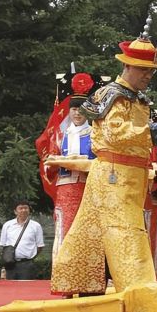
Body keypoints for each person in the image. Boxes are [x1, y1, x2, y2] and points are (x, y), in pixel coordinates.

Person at [50, 22, 157, 297]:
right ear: (128, 67)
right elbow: (117, 133)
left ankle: (82, 284)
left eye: (151, 71)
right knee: (126, 233)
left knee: (93, 228)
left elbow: (154, 130)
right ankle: (141, 295)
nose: (148, 75)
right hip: (114, 173)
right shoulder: (113, 95)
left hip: (128, 175)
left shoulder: (138, 99)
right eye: (144, 70)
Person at [50, 73, 96, 260]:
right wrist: (53, 164)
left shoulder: (95, 134)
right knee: (66, 229)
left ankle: (89, 277)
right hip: (66, 189)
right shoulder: (60, 136)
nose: (77, 113)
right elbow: (50, 163)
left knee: (88, 232)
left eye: (81, 110)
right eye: (74, 109)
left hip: (89, 188)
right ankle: (64, 274)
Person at [0, 200, 45, 280]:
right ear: (15, 211)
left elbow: (40, 246)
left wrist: (30, 256)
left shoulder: (36, 226)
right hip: (10, 264)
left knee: (26, 289)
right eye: (20, 208)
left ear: (29, 210)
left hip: (27, 264)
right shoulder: (7, 225)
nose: (23, 210)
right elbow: (4, 245)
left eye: (26, 208)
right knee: (10, 289)